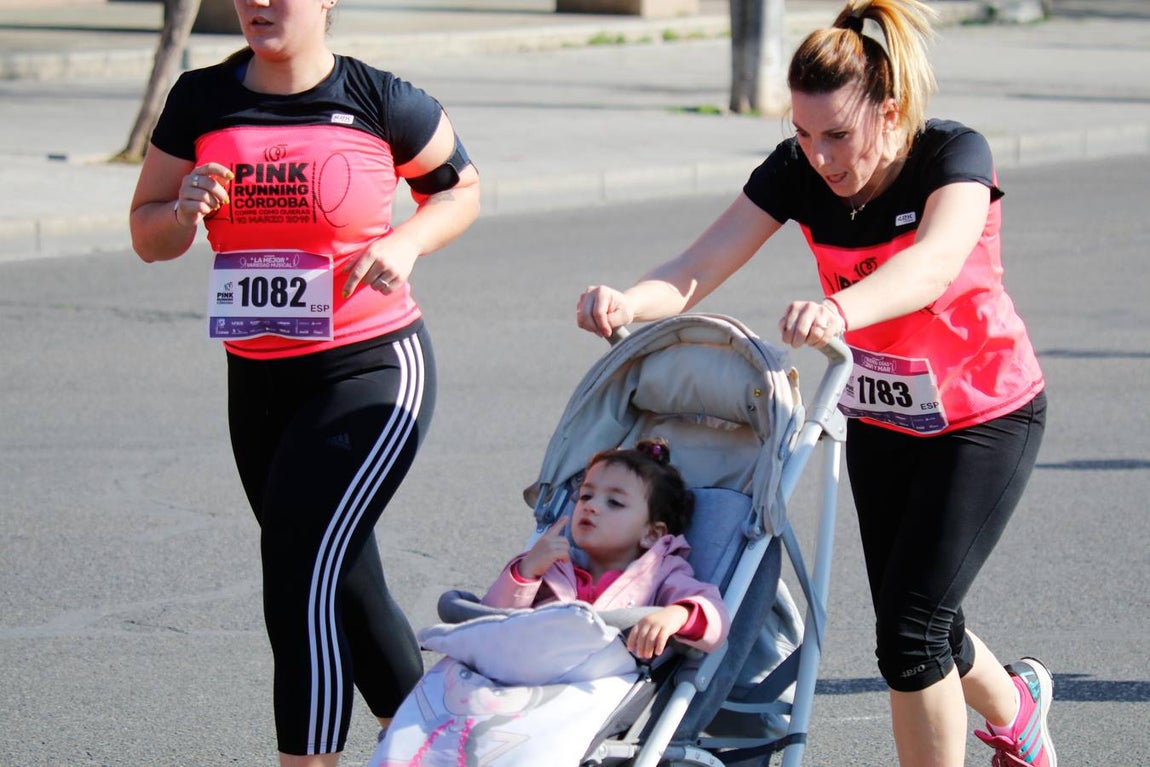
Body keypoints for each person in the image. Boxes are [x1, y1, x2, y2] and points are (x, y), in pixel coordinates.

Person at [574, 1, 1053, 765]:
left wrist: (839, 308)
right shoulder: (797, 171)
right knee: (926, 616)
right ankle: (1019, 709)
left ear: (888, 111)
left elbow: (932, 264)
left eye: (837, 134)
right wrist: (630, 300)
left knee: (909, 632)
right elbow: (700, 264)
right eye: (803, 133)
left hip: (983, 415)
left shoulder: (952, 155)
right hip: (886, 417)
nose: (819, 156)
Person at [128, 0, 480, 764]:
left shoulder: (382, 99)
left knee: (297, 567)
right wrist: (182, 211)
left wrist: (410, 240)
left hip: (373, 366)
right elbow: (147, 231)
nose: (258, 2)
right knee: (344, 577)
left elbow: (461, 188)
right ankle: (431, 745)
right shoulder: (201, 98)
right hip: (256, 381)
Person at [482, 439, 730, 660]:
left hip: (602, 688)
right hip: (532, 669)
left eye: (614, 502)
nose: (591, 507)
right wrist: (525, 573)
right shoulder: (551, 565)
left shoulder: (661, 575)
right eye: (586, 496)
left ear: (651, 534)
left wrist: (677, 615)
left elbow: (715, 617)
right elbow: (490, 621)